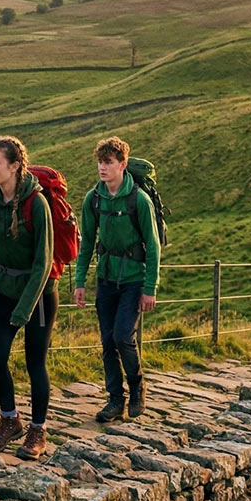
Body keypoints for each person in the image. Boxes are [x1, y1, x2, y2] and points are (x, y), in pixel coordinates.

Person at [0, 136, 57, 460]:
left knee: (36, 364)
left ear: (15, 166)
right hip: (4, 288)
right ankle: (10, 419)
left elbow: (43, 263)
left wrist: (24, 309)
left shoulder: (37, 203)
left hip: (39, 297)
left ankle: (37, 429)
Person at [73, 136, 160, 423]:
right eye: (100, 162)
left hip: (134, 280)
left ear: (122, 165)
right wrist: (80, 282)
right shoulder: (93, 198)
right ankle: (114, 400)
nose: (102, 167)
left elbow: (153, 245)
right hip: (106, 278)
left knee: (124, 337)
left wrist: (150, 288)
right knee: (107, 341)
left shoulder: (139, 200)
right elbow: (86, 244)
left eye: (108, 162)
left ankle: (137, 386)